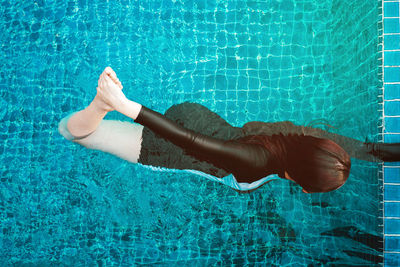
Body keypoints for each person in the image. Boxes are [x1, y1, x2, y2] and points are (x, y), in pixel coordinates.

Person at [58, 67, 400, 194]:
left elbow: (366, 149)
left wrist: (387, 153)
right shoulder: (255, 160)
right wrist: (124, 105)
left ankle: (110, 105)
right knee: (72, 133)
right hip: (174, 147)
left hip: (201, 118)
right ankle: (101, 105)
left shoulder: (300, 139)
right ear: (303, 187)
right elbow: (192, 143)